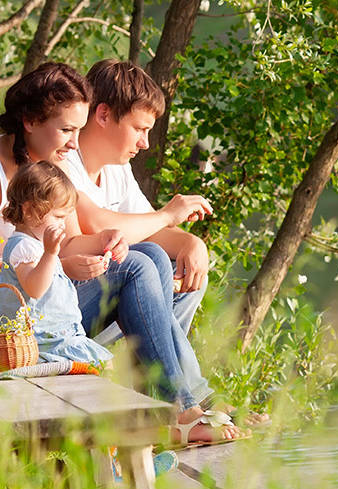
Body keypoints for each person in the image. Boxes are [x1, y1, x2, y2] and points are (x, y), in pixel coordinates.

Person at [0, 62, 248, 444]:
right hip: (15, 325)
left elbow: (65, 242)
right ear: (30, 121)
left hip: (48, 306)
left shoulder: (49, 164)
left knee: (144, 253)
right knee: (135, 264)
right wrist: (72, 257)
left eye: (77, 131)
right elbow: (27, 258)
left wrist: (104, 244)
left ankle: (169, 403)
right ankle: (179, 408)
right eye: (67, 130)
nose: (73, 143)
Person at [66, 58, 269, 426]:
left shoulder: (116, 168)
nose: (144, 143)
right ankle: (183, 404)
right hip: (67, 306)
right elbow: (95, 225)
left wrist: (191, 243)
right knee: (142, 261)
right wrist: (168, 216)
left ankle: (170, 393)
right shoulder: (64, 158)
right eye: (139, 129)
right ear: (103, 115)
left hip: (105, 303)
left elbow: (148, 228)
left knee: (182, 268)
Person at [0, 161, 112, 365]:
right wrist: (51, 254)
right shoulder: (22, 247)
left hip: (63, 335)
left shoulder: (37, 246)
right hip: (43, 342)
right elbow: (34, 288)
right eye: (59, 216)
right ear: (29, 210)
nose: (63, 224)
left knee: (104, 364)